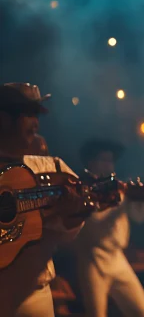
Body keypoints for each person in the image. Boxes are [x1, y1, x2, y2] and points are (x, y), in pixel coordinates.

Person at [0, 83, 88, 317]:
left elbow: (67, 234)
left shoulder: (51, 168)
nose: (36, 123)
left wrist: (73, 215)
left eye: (37, 115)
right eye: (28, 115)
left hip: (34, 295)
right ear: (4, 119)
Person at [73, 139, 144, 317]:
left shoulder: (118, 187)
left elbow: (138, 218)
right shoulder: (83, 189)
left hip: (117, 257)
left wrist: (141, 200)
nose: (110, 165)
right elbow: (95, 223)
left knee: (143, 313)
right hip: (93, 258)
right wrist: (122, 202)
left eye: (111, 161)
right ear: (91, 162)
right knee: (96, 313)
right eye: (104, 160)